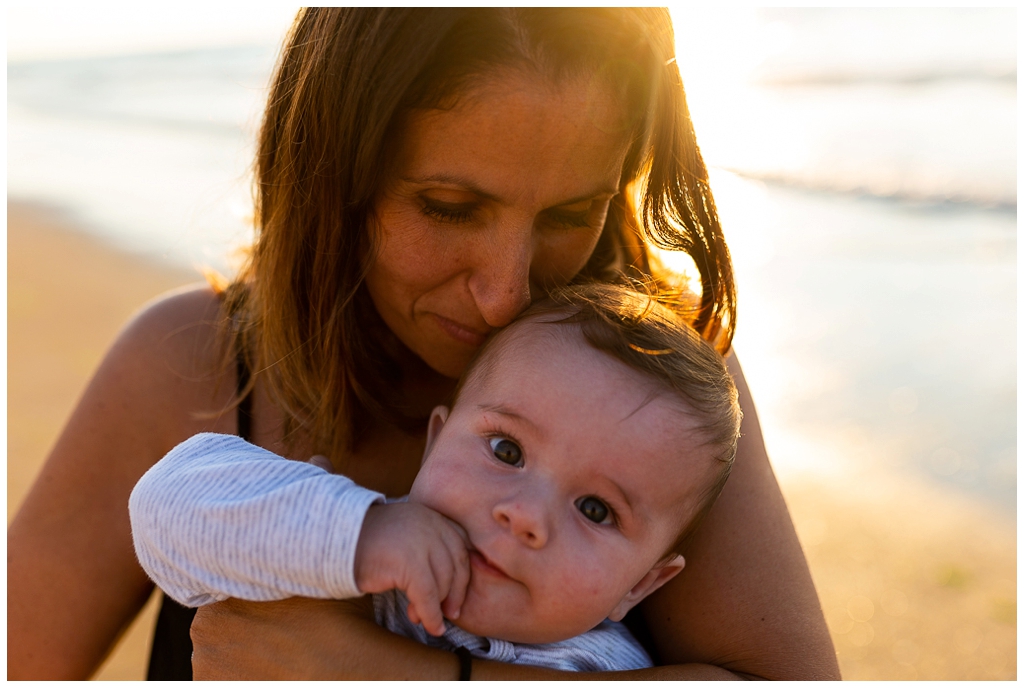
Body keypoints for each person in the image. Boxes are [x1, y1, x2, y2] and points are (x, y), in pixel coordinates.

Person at [7, 8, 839, 680]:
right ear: (337, 173)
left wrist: (389, 674)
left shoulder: (667, 391)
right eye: (448, 206)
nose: (507, 291)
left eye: (567, 215)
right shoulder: (190, 362)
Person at [129, 284, 743, 674]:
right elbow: (166, 505)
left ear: (637, 586)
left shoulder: (596, 670)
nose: (524, 516)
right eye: (506, 450)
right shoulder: (330, 539)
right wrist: (361, 536)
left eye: (596, 509)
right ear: (434, 441)